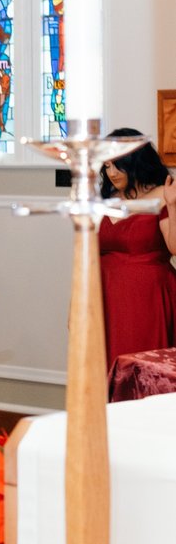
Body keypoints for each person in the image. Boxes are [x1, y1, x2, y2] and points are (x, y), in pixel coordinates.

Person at [98, 128, 176, 374]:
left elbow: (174, 247)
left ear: (135, 161)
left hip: (146, 298)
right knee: (108, 370)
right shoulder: (110, 199)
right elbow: (91, 256)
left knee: (143, 371)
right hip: (106, 297)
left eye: (117, 165)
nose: (111, 173)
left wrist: (173, 206)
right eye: (107, 166)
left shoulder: (162, 195)